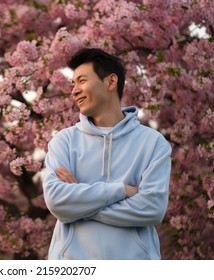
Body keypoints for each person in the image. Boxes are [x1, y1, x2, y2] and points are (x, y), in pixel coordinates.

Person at [42, 48, 172, 259]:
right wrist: (120, 191)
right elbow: (57, 202)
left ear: (111, 82)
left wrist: (80, 205)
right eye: (73, 84)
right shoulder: (63, 141)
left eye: (82, 81)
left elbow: (153, 208)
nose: (74, 90)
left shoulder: (152, 143)